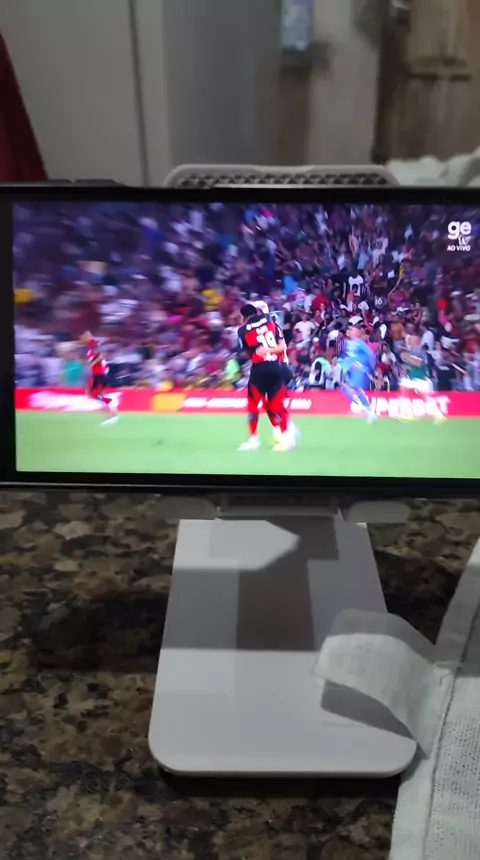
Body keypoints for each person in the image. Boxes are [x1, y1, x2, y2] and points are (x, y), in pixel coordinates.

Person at [237, 304, 294, 452]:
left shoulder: (243, 331)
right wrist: (269, 350)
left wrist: (262, 351)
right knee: (276, 406)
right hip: (277, 367)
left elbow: (251, 353)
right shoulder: (271, 323)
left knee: (253, 405)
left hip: (260, 370)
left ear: (243, 317)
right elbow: (282, 346)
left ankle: (254, 440)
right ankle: (286, 437)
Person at [398, 334, 445, 421]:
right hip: (413, 379)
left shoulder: (421, 352)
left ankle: (439, 415)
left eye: (410, 341)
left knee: (427, 399)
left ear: (417, 342)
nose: (409, 343)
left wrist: (407, 357)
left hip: (422, 379)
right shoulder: (410, 352)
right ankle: (403, 414)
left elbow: (419, 363)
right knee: (403, 387)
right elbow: (407, 364)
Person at [339, 323, 377, 422]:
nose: (349, 331)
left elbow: (371, 354)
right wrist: (345, 366)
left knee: (350, 387)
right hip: (352, 370)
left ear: (356, 332)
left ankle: (361, 408)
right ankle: (369, 412)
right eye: (349, 329)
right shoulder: (348, 343)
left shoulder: (360, 343)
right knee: (356, 391)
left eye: (352, 329)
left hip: (359, 371)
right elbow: (348, 358)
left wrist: (368, 368)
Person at [80, 331, 118, 424]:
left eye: (84, 337)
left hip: (100, 373)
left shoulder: (94, 345)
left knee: (94, 394)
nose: (82, 339)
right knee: (95, 394)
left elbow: (101, 355)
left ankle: (110, 410)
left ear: (89, 336)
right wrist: (88, 362)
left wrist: (93, 363)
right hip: (98, 374)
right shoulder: (90, 347)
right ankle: (111, 409)